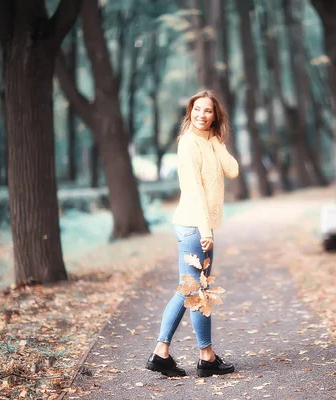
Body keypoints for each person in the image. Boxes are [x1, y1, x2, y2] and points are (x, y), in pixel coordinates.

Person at [145, 90, 239, 378]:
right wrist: (205, 229)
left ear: (215, 115)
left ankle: (189, 354)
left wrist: (217, 141)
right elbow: (194, 191)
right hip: (193, 227)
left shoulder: (209, 142)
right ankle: (192, 355)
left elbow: (232, 170)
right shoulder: (187, 144)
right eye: (197, 110)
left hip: (198, 227)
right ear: (190, 113)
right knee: (193, 291)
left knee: (195, 291)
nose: (202, 115)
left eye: (208, 110)